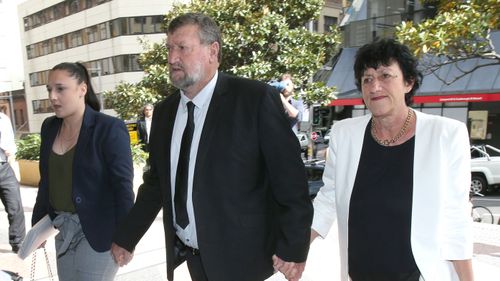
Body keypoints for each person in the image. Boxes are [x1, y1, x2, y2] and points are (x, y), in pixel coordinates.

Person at [111, 13, 312, 281]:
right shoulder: (165, 112)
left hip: (244, 264)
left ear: (212, 51)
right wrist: (127, 236)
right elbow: (157, 184)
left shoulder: (254, 100)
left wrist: (294, 249)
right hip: (192, 261)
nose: (172, 58)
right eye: (169, 48)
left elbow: (291, 181)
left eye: (182, 48)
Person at [310, 38, 474, 281]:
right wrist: (294, 249)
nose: (375, 87)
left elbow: (456, 218)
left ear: (408, 82)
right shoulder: (345, 135)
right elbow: (328, 198)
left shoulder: (446, 134)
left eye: (386, 75)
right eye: (367, 79)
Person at [32, 62, 135, 281]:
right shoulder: (49, 127)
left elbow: (123, 188)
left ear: (82, 89)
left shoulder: (108, 128)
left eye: (60, 88)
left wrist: (127, 239)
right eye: (49, 89)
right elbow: (47, 181)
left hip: (99, 234)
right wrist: (37, 227)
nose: (52, 96)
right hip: (63, 230)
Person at [0, 111, 25, 253]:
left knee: (15, 206)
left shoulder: (3, 119)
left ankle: (19, 243)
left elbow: (10, 147)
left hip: (4, 167)